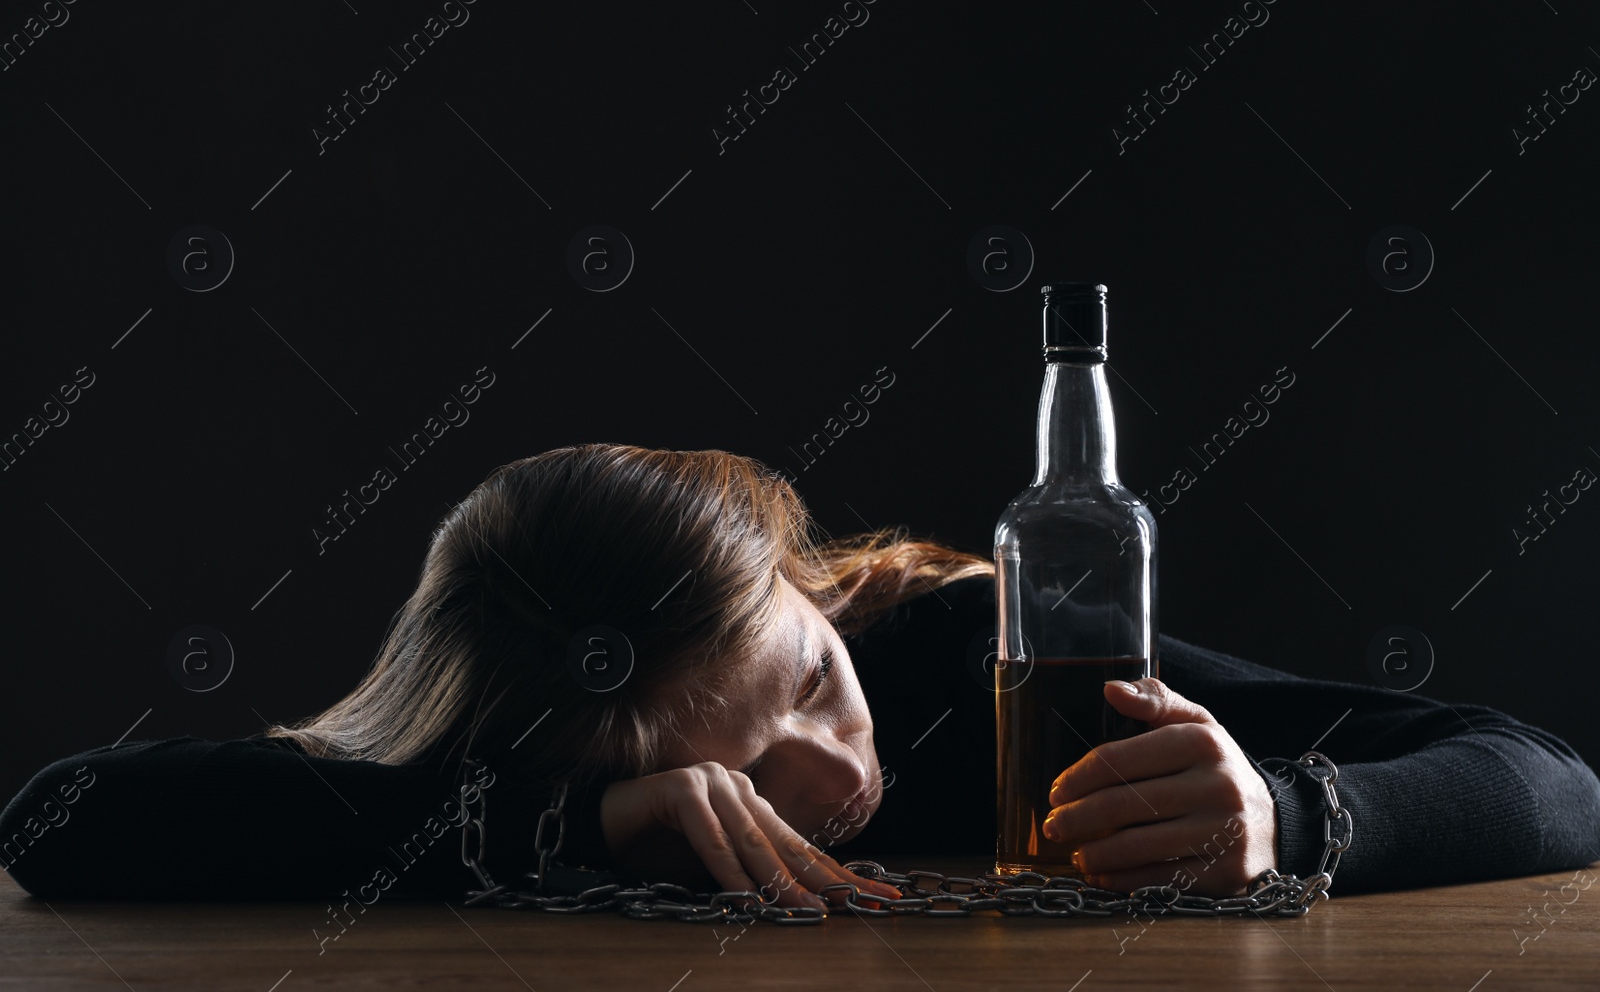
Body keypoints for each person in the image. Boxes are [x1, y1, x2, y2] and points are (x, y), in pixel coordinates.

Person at [3, 444, 1597, 910]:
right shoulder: (532, 793)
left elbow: (1549, 778)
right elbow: (61, 819)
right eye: (746, 775)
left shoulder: (967, 647)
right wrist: (591, 823)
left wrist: (1295, 822)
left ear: (814, 587)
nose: (841, 782)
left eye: (815, 681)